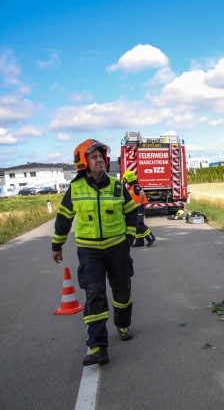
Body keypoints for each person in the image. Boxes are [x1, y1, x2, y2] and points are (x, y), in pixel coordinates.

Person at [51, 139, 138, 366]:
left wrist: (129, 237)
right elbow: (63, 218)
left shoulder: (117, 187)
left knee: (122, 290)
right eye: (94, 157)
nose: (99, 160)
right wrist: (57, 245)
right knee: (94, 294)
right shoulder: (75, 189)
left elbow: (131, 212)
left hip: (117, 248)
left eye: (101, 156)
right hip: (89, 251)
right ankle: (98, 346)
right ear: (83, 162)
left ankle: (122, 323)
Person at [123, 170, 156, 247]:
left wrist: (140, 203)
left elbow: (142, 194)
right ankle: (139, 241)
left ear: (128, 179)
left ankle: (150, 238)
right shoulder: (131, 188)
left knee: (139, 223)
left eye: (125, 179)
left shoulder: (136, 186)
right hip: (135, 207)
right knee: (136, 224)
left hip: (139, 207)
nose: (125, 181)